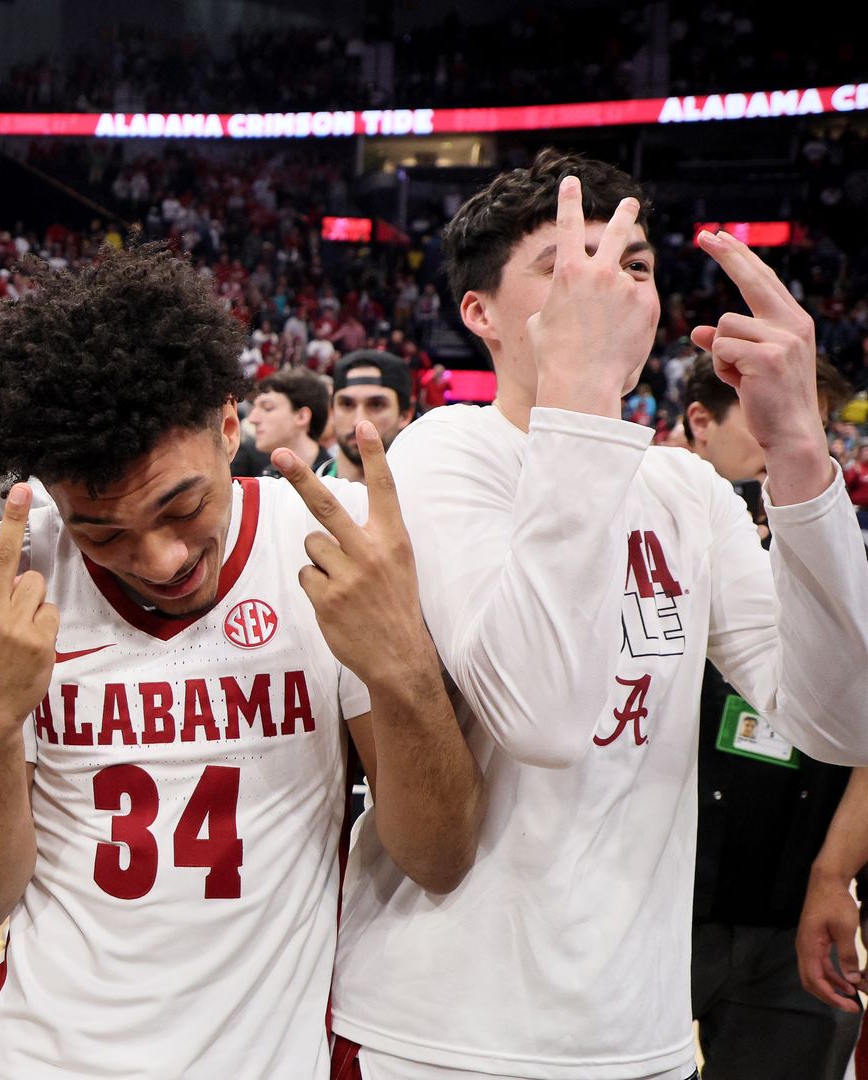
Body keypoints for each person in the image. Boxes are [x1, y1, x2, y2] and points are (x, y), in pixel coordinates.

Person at [333, 150, 868, 1080]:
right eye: (566, 266)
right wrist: (579, 393)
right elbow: (543, 716)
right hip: (441, 1032)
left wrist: (796, 450)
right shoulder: (444, 453)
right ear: (480, 314)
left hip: (637, 1036)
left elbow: (841, 721)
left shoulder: (685, 490)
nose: (608, 287)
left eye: (634, 266)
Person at [0, 244, 480, 1077]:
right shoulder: (18, 573)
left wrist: (403, 663)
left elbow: (438, 856)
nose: (159, 559)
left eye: (182, 506)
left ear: (229, 428)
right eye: (102, 533)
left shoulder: (328, 541)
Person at [676, 348, 867, 1079]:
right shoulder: (649, 533)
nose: (798, 441)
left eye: (816, 426)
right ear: (702, 420)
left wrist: (834, 874)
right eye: (774, 420)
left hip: (792, 907)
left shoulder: (844, 549)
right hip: (653, 898)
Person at [323, 349, 416, 480]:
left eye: (376, 405)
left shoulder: (429, 490)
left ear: (405, 415)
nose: (358, 422)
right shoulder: (298, 490)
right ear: (332, 411)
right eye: (347, 404)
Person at [248, 367, 332, 476]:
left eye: (267, 408)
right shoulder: (267, 476)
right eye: (254, 408)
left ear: (302, 417)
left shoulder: (335, 478)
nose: (252, 419)